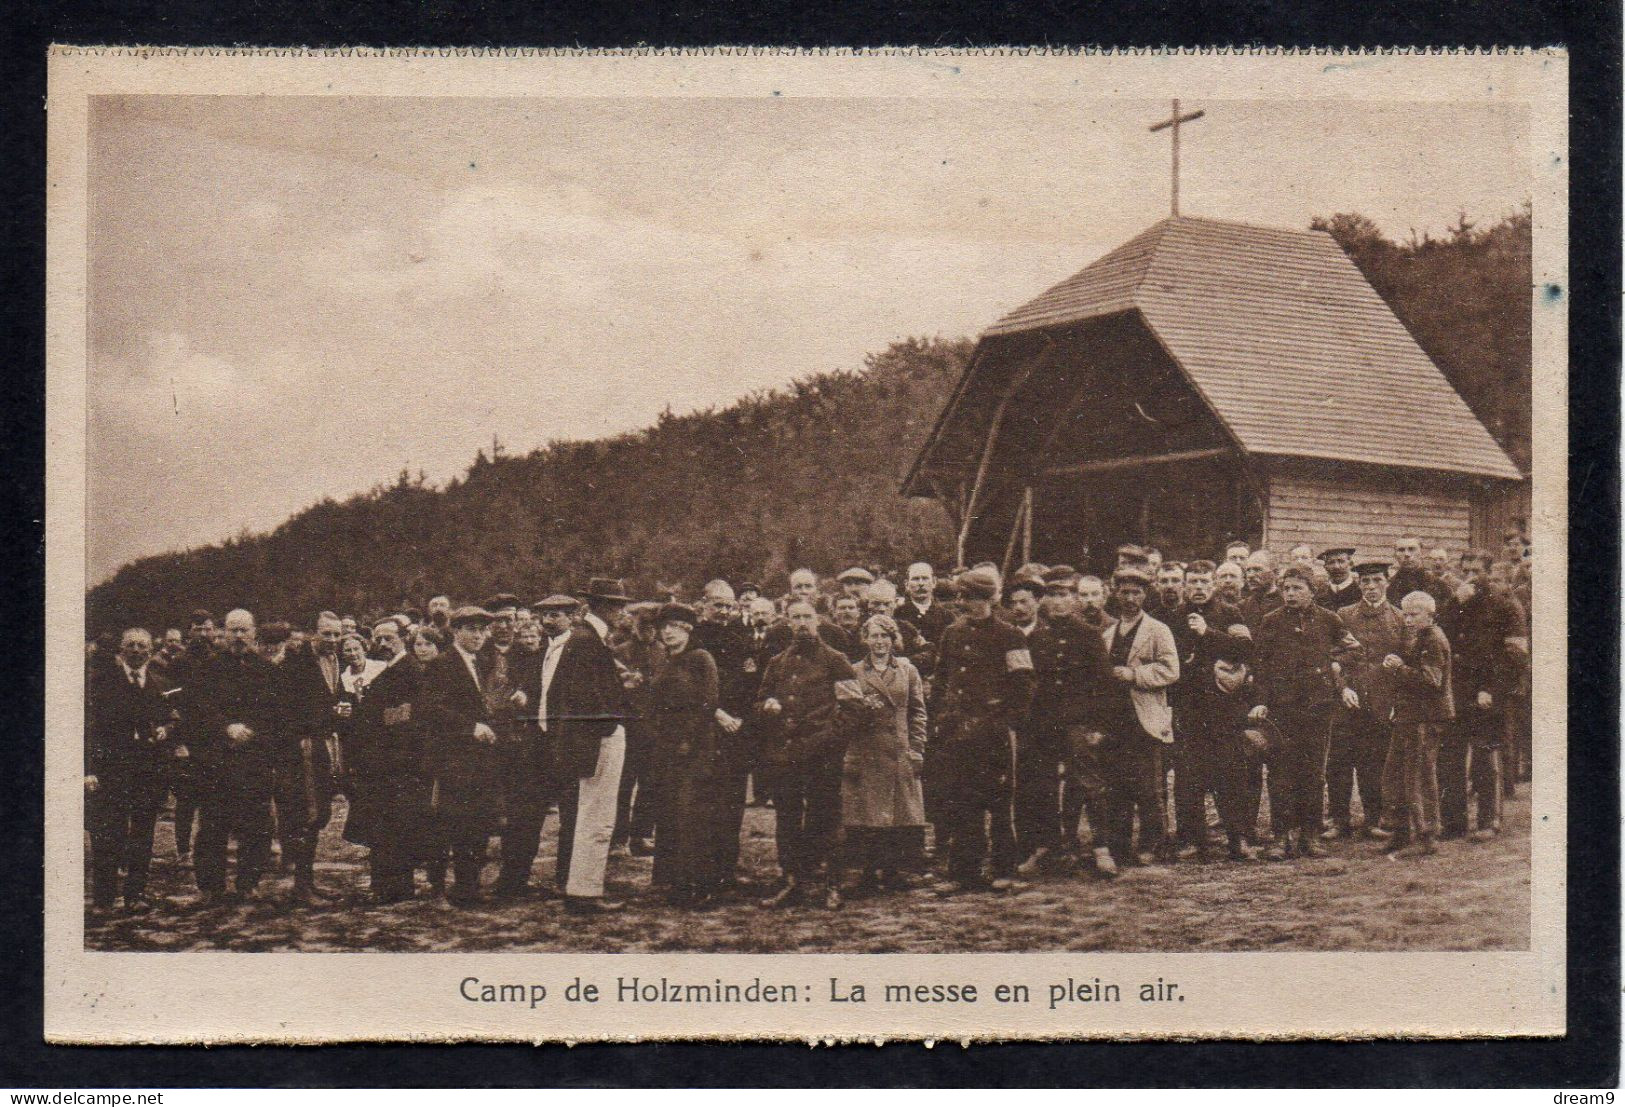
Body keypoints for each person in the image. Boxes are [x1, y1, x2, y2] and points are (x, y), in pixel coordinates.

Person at [508, 594, 628, 914]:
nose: (549, 621)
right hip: (578, 740)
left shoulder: (582, 642)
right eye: (545, 615)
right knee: (591, 817)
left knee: (585, 815)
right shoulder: (581, 643)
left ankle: (578, 886)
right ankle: (581, 890)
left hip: (576, 739)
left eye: (557, 615)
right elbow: (584, 698)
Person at [928, 566, 1035, 896]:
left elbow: (1023, 686)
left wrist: (1006, 722)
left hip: (993, 732)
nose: (968, 604)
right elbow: (941, 681)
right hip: (958, 731)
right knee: (961, 802)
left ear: (991, 600)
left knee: (1000, 803)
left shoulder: (1010, 635)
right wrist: (940, 720)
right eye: (965, 598)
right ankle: (964, 871)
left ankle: (1004, 869)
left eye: (976, 598)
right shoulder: (952, 634)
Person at [755, 599, 864, 909]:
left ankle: (832, 884)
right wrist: (767, 707)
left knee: (826, 816)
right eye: (796, 618)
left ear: (819, 621)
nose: (802, 623)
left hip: (822, 755)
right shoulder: (777, 662)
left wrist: (830, 739)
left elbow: (853, 708)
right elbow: (759, 700)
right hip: (786, 753)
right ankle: (792, 882)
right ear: (788, 623)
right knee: (787, 818)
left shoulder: (835, 660)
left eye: (807, 617)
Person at [1247, 567, 1362, 860]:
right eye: (1286, 588)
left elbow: (1354, 650)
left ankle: (1310, 835)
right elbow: (1260, 665)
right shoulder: (1271, 621)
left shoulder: (1328, 619)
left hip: (1318, 708)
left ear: (1312, 590)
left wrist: (1332, 664)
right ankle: (1281, 836)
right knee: (1280, 773)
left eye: (1297, 588)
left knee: (1313, 772)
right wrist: (1260, 701)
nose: (1290, 594)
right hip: (1281, 709)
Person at [1015, 570, 1113, 877]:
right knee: (1041, 787)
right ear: (1044, 600)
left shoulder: (1088, 634)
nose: (1058, 602)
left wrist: (1098, 728)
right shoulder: (1037, 638)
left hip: (1079, 724)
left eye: (1065, 595)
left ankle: (1101, 848)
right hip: (1044, 727)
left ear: (1074, 599)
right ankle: (1049, 848)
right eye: (1052, 595)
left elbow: (1105, 684)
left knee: (1089, 785)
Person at [189, 609, 279, 907]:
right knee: (213, 824)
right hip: (217, 759)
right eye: (233, 630)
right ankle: (210, 886)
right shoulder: (207, 668)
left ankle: (248, 883)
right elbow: (200, 709)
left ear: (254, 633)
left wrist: (252, 729)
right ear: (222, 633)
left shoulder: (266, 669)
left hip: (254, 759)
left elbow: (272, 712)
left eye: (244, 630)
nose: (239, 636)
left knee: (256, 824)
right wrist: (226, 727)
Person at [85, 628, 177, 913]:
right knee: (107, 834)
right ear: (121, 651)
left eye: (142, 646)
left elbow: (175, 719)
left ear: (151, 651)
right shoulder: (100, 683)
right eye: (131, 645)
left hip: (148, 771)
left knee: (142, 834)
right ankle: (103, 898)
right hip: (111, 770)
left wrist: (166, 729)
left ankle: (135, 895)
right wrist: (89, 770)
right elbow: (89, 730)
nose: (136, 651)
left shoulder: (161, 683)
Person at [345, 625, 440, 903]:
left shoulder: (408, 671)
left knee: (395, 827)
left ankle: (393, 888)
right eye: (379, 639)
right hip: (385, 762)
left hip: (398, 762)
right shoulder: (387, 670)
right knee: (388, 826)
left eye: (389, 638)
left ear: (402, 641)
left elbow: (407, 716)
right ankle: (391, 886)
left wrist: (380, 723)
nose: (383, 643)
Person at [1169, 561, 1255, 861]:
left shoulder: (1230, 613)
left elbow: (1245, 648)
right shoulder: (1173, 617)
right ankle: (1192, 839)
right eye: (1192, 582)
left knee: (1231, 774)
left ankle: (1239, 838)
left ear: (1214, 584)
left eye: (1204, 582)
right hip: (1189, 708)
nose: (1198, 588)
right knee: (1188, 776)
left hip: (1224, 709)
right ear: (1184, 585)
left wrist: (1208, 633)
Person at [1438, 550, 1527, 841]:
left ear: (1490, 572)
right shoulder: (1459, 602)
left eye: (1477, 571)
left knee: (1485, 758)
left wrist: (1492, 689)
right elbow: (1438, 631)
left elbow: (1515, 655)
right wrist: (1454, 602)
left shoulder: (1506, 604)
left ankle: (1489, 821)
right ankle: (1454, 823)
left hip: (1488, 694)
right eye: (1466, 571)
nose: (1471, 577)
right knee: (1450, 757)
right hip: (1457, 692)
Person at [419, 606, 502, 906]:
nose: (478, 635)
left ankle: (467, 887)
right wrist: (470, 727)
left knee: (475, 823)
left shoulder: (478, 662)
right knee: (446, 824)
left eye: (482, 630)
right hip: (450, 758)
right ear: (456, 632)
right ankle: (438, 889)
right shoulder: (442, 664)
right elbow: (431, 709)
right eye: (471, 629)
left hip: (477, 759)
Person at [1098, 566, 1180, 866]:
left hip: (1145, 717)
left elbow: (1171, 670)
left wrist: (1134, 674)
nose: (1130, 598)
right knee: (1117, 786)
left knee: (1148, 787)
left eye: (1136, 592)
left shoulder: (1158, 630)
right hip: (1115, 719)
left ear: (1145, 595)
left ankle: (1153, 844)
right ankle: (1119, 845)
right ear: (1115, 594)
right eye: (1125, 592)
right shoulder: (1107, 633)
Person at [841, 614, 929, 894]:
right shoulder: (853, 671)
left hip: (899, 750)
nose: (879, 642)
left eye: (885, 636)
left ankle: (892, 872)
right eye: (874, 636)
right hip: (867, 751)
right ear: (865, 639)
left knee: (897, 815)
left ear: (894, 640)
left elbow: (918, 712)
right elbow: (844, 715)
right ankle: (868, 873)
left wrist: (917, 749)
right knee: (869, 815)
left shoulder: (907, 670)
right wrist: (863, 709)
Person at [648, 602, 728, 907]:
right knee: (670, 813)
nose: (667, 633)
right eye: (663, 628)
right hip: (666, 748)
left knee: (693, 815)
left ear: (687, 630)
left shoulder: (701, 659)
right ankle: (676, 882)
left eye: (674, 627)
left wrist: (687, 740)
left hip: (696, 748)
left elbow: (708, 702)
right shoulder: (664, 661)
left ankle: (701, 883)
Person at [272, 611, 347, 906]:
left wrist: (343, 707)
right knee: (306, 814)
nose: (331, 640)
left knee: (319, 815)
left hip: (324, 744)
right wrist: (330, 714)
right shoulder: (295, 663)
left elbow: (334, 698)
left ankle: (309, 882)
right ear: (314, 633)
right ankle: (301, 888)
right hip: (302, 748)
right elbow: (288, 710)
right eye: (326, 634)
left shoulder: (333, 660)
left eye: (336, 634)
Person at [1327, 559, 1405, 840]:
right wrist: (1342, 688)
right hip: (1347, 702)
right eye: (1365, 582)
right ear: (1358, 584)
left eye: (1377, 581)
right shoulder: (1344, 615)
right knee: (1339, 762)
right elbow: (1334, 658)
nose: (1371, 587)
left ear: (1387, 582)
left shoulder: (1399, 618)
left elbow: (1404, 663)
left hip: (1382, 703)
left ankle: (1374, 819)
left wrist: (1397, 702)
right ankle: (1339, 820)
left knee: (1374, 762)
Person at [689, 580, 755, 891]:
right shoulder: (694, 638)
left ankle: (728, 867)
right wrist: (717, 714)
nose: (724, 611)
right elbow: (689, 686)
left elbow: (749, 679)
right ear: (703, 605)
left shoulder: (742, 634)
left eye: (729, 605)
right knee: (707, 800)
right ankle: (705, 870)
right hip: (707, 727)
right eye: (718, 605)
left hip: (738, 731)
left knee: (733, 800)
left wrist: (742, 718)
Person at [1380, 591, 1455, 856]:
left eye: (1414, 615)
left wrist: (1398, 668)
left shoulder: (1433, 639)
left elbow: (1431, 682)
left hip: (1426, 719)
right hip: (1409, 717)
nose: (1408, 620)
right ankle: (1402, 834)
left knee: (1419, 777)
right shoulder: (1417, 637)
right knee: (1397, 774)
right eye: (1405, 614)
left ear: (1430, 615)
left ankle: (1427, 837)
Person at [1390, 538, 1451, 609]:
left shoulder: (1440, 586)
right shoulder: (1390, 586)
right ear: (1395, 555)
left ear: (1422, 552)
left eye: (1411, 549)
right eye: (1401, 550)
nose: (1407, 554)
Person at [1240, 550, 1282, 630]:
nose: (1251, 575)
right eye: (1248, 570)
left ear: (1275, 573)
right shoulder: (1241, 607)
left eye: (1257, 570)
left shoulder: (1286, 604)